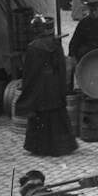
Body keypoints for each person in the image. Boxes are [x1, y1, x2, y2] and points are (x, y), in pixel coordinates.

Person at [15, 21, 77, 157]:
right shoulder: (56, 44)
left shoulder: (33, 47)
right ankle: (61, 146)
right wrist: (62, 87)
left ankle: (41, 148)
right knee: (57, 116)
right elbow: (62, 67)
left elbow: (30, 71)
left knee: (41, 117)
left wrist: (27, 87)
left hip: (40, 87)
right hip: (54, 84)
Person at [68, 0, 98, 65]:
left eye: (95, 10)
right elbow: (75, 40)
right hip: (85, 52)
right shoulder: (83, 23)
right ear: (88, 10)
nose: (94, 13)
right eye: (91, 11)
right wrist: (72, 55)